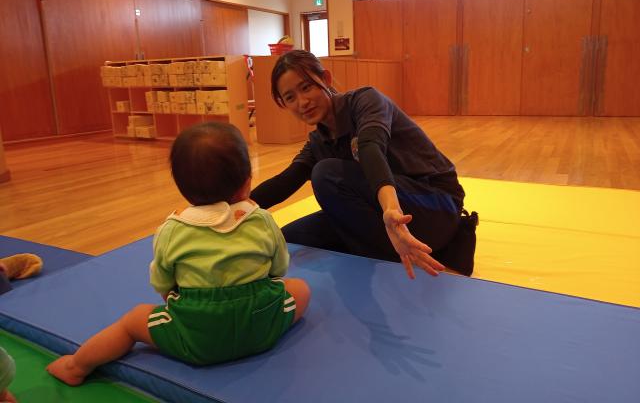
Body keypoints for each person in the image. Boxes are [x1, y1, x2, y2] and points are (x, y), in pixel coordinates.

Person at [47, 122, 310, 385]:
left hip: (196, 339)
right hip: (261, 328)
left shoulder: (172, 229)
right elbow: (279, 268)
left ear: (183, 189)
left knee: (132, 322)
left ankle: (76, 366)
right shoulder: (262, 220)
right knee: (300, 289)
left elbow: (162, 282)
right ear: (247, 184)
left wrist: (177, 296)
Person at [251, 50, 474, 279]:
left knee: (326, 174)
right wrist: (234, 209)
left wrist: (391, 210)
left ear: (326, 79)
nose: (302, 102)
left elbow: (370, 147)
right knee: (287, 239)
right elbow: (286, 181)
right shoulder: (319, 140)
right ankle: (381, 249)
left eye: (306, 87)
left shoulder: (365, 101)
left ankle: (385, 258)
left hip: (434, 207)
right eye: (290, 98)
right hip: (386, 214)